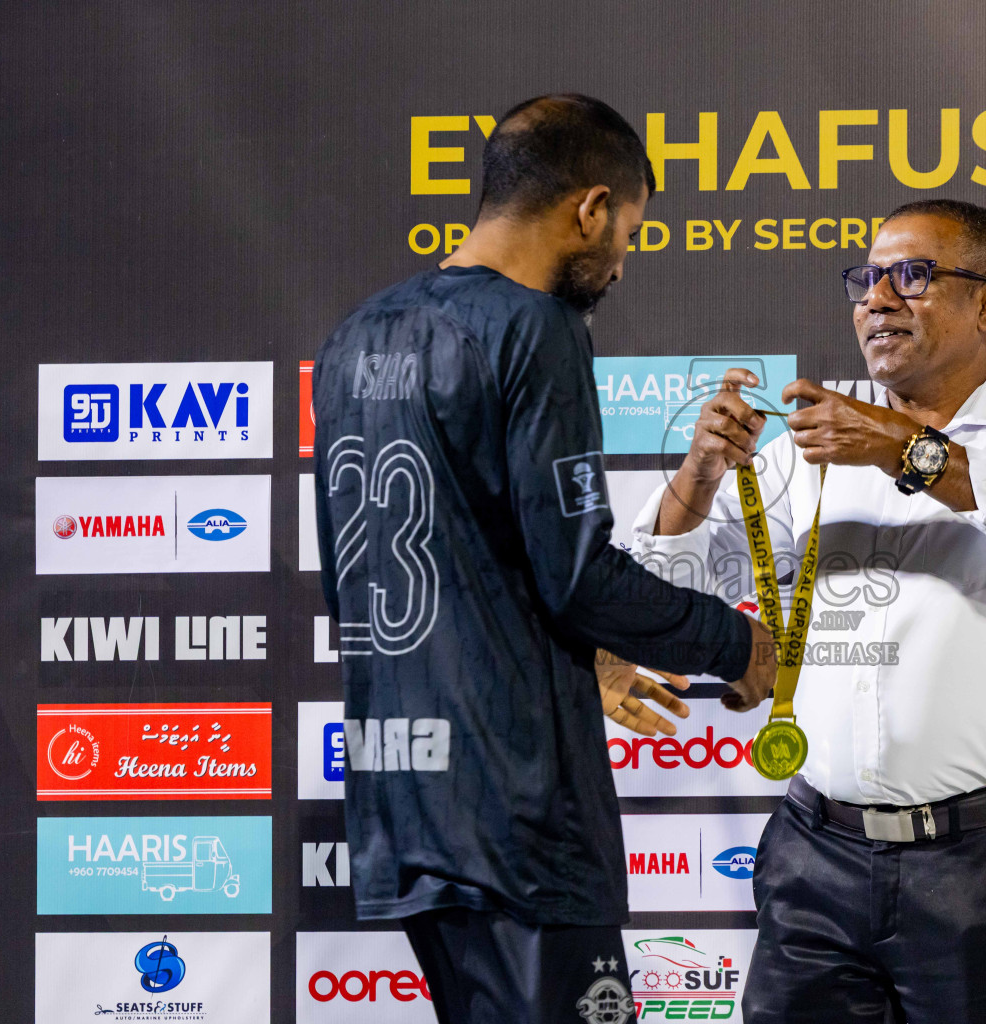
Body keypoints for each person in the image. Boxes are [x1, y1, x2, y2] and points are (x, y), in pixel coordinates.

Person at [311, 93, 776, 1024]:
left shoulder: (354, 334)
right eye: (628, 233)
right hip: (520, 816)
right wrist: (739, 647)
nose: (621, 263)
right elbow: (577, 576)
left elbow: (444, 566)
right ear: (590, 209)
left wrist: (581, 655)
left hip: (401, 805)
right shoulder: (536, 326)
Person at [629, 199, 986, 1023]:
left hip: (976, 866)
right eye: (866, 279)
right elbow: (656, 583)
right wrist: (700, 475)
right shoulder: (803, 452)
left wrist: (897, 447)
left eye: (911, 277)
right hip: (811, 855)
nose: (876, 300)